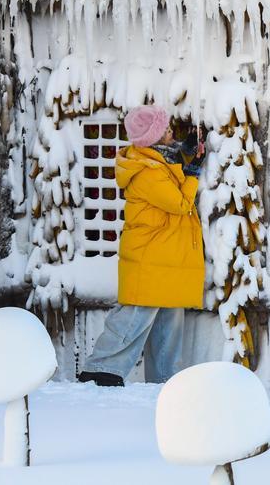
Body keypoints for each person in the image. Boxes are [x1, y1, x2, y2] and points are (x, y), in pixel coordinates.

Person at [78, 105, 205, 386]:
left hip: (166, 257)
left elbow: (172, 175)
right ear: (154, 138)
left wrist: (184, 152)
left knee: (169, 325)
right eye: (167, 131)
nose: (172, 133)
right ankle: (100, 371)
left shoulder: (158, 161)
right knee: (134, 318)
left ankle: (165, 382)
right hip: (150, 258)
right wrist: (193, 172)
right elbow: (179, 202)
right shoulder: (146, 171)